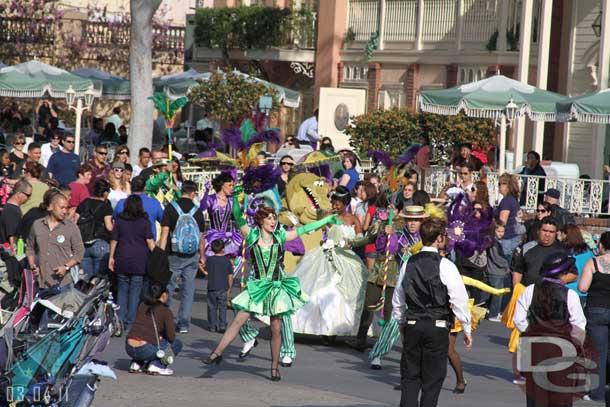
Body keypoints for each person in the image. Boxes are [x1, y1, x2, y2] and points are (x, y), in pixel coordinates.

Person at [202, 199, 338, 382]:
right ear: (261, 220)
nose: (273, 221)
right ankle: (217, 353)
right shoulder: (251, 235)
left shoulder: (280, 235)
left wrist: (325, 221)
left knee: (276, 328)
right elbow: (237, 216)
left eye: (274, 218)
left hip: (275, 287)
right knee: (238, 320)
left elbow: (304, 230)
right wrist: (235, 198)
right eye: (269, 218)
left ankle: (274, 367)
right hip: (258, 286)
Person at [394, 217, 472, 407]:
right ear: (439, 239)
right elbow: (459, 299)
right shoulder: (445, 265)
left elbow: (398, 296)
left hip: (413, 323)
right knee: (432, 380)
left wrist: (402, 321)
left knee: (410, 378)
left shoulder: (409, 263)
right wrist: (467, 328)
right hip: (437, 325)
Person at [291, 186, 368, 337]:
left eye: (338, 203)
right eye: (333, 203)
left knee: (349, 291)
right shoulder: (328, 216)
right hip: (327, 256)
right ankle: (324, 328)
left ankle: (341, 328)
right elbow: (317, 226)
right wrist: (326, 218)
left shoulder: (353, 219)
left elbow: (361, 238)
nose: (334, 206)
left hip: (347, 258)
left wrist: (351, 242)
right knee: (325, 289)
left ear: (345, 203)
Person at [514, 253, 586, 407]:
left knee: (536, 394)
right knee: (561, 393)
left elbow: (518, 320)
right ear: (563, 273)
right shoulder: (570, 295)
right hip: (562, 348)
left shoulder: (530, 290)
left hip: (535, 346)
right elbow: (578, 325)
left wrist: (531, 331)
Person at [159, 181, 206, 334]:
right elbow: (201, 236)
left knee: (169, 287)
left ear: (181, 191)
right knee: (188, 289)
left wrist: (160, 253)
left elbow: (165, 233)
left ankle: (167, 320)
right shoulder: (197, 211)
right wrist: (202, 255)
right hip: (192, 255)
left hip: (174, 254)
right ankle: (184, 323)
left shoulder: (171, 208)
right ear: (193, 193)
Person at [109, 194, 156, 331]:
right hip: (139, 260)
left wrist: (112, 257)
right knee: (135, 292)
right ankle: (131, 322)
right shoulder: (144, 221)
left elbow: (114, 240)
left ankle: (120, 320)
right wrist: (157, 256)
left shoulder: (119, 220)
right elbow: (150, 242)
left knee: (122, 290)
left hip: (122, 258)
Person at [26, 192, 84, 289]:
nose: (65, 211)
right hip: (41, 282)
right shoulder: (37, 225)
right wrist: (32, 265)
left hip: (62, 283)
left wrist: (66, 267)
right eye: (62, 208)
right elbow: (30, 248)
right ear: (51, 207)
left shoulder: (71, 228)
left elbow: (79, 252)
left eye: (67, 208)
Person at [578, 231, 610, 402]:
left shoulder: (594, 262)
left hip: (597, 308)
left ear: (601, 245)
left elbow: (582, 287)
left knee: (598, 352)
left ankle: (596, 393)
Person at [126, 283, 183, 376]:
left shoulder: (142, 305)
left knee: (148, 340)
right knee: (177, 343)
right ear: (164, 295)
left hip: (129, 347)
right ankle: (157, 365)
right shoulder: (165, 311)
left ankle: (136, 364)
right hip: (145, 349)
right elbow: (171, 337)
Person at [200, 172, 241, 259]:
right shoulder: (212, 199)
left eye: (233, 185)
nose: (232, 188)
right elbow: (202, 207)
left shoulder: (232, 201)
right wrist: (206, 192)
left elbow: (240, 214)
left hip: (228, 237)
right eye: (230, 185)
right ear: (222, 185)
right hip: (213, 237)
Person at [77, 179, 113, 279]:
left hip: (83, 243)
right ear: (105, 193)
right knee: (99, 279)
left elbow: (74, 222)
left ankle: (85, 295)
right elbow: (109, 227)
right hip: (101, 243)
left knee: (85, 279)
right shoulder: (106, 207)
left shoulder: (85, 203)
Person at [114, 176, 164, 242]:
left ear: (131, 187)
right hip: (148, 244)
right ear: (145, 188)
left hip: (124, 244)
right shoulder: (154, 203)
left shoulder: (121, 203)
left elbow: (113, 220)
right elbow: (164, 222)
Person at [202, 239, 233, 333]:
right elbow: (230, 276)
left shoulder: (210, 260)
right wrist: (229, 288)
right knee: (222, 307)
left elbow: (206, 273)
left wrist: (201, 268)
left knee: (212, 306)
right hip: (223, 287)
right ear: (223, 249)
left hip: (212, 287)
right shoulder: (227, 261)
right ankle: (222, 325)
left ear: (212, 249)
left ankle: (212, 325)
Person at [562, 224, 594, 306]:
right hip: (583, 292)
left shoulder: (565, 253)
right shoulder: (589, 253)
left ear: (566, 235)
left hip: (567, 290)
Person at [486, 221, 511, 321]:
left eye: (502, 231)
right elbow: (496, 258)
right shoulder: (493, 243)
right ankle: (493, 314)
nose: (501, 233)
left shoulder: (495, 242)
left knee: (494, 294)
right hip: (495, 271)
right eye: (499, 231)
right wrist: (506, 265)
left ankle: (493, 312)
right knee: (497, 294)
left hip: (497, 271)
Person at [495, 173, 521, 264]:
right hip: (514, 237)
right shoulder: (513, 200)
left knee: (504, 266)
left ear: (508, 186)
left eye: (501, 184)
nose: (499, 186)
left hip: (506, 239)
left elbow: (502, 222)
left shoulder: (506, 202)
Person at [0, 179, 31, 245]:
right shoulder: (12, 211)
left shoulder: (10, 207)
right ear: (19, 194)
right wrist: (16, 252)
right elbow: (13, 237)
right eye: (28, 195)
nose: (29, 198)